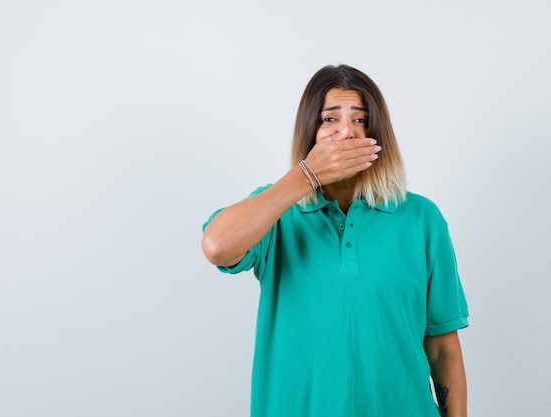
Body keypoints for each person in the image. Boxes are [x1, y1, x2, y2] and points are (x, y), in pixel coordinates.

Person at [201, 64, 469, 417]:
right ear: (309, 131)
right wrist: (306, 176)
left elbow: (442, 347)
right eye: (330, 120)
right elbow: (218, 246)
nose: (347, 132)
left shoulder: (421, 219)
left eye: (360, 120)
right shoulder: (276, 210)